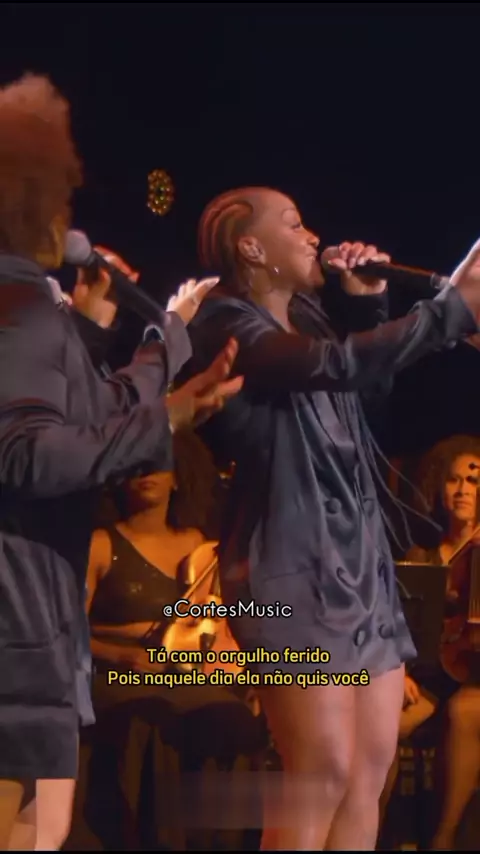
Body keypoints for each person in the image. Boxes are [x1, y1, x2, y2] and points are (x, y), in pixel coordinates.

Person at [182, 185, 480, 851]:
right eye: (293, 224)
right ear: (251, 247)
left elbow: (362, 398)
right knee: (321, 774)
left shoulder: (312, 317)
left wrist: (367, 303)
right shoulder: (226, 323)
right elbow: (334, 367)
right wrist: (450, 310)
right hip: (289, 571)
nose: (312, 236)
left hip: (359, 565)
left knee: (367, 774)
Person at [0, 74, 242, 851]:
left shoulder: (29, 310)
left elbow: (80, 415)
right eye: (62, 196)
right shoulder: (21, 307)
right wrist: (167, 414)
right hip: (17, 644)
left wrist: (155, 341)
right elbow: (29, 454)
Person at [74, 429, 264, 850]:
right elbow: (68, 632)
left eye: (158, 464)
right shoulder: (101, 545)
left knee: (231, 714)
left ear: (178, 476)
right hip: (117, 673)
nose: (147, 474)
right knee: (154, 713)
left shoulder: (200, 545)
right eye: (136, 464)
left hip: (182, 674)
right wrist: (119, 654)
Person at [383, 436, 480, 849]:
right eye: (454, 480)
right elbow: (396, 623)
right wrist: (399, 669)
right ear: (441, 489)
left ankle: (443, 839)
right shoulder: (422, 554)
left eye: (473, 481)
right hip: (429, 676)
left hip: (475, 676)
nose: (462, 490)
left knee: (464, 713)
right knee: (383, 725)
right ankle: (374, 833)